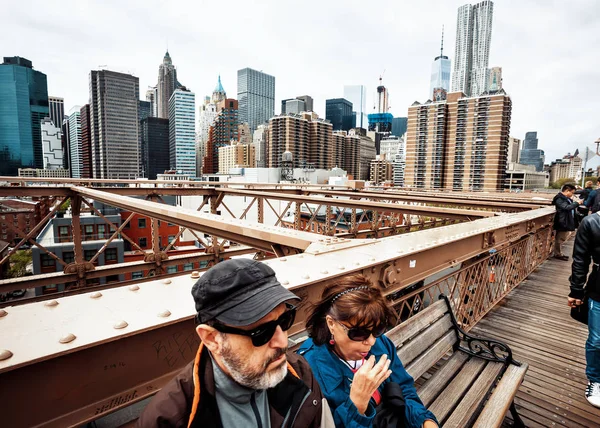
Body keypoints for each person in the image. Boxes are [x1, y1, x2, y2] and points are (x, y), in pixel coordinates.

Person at [138, 259, 332, 427]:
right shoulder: (169, 419)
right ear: (212, 339)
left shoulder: (300, 373)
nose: (282, 341)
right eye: (261, 332)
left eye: (285, 320)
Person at [298, 274, 438, 428]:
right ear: (331, 323)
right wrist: (356, 403)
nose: (371, 341)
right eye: (358, 333)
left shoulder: (381, 343)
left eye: (378, 329)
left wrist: (425, 421)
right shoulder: (308, 370)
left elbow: (405, 388)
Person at [569, 211, 600, 407]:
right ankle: (595, 379)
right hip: (599, 289)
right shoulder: (591, 222)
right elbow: (580, 259)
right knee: (597, 340)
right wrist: (576, 291)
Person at [552, 183, 580, 260]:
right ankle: (558, 254)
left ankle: (559, 253)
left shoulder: (565, 198)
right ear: (567, 191)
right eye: (572, 192)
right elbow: (566, 207)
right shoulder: (559, 198)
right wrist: (577, 203)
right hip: (563, 221)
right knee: (560, 238)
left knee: (562, 238)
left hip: (566, 220)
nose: (572, 194)